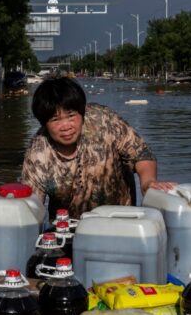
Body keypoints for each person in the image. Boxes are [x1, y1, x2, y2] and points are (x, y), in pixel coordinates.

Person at [20, 77, 175, 219]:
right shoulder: (37, 154)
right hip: (70, 232)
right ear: (44, 123)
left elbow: (141, 153)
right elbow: (32, 209)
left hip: (122, 222)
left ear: (82, 112)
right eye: (55, 120)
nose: (65, 126)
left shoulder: (104, 121)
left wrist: (148, 182)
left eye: (71, 116)